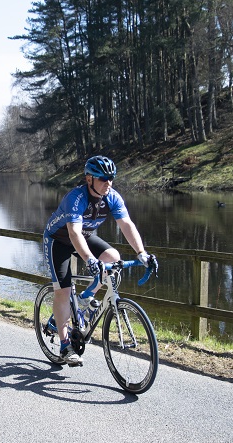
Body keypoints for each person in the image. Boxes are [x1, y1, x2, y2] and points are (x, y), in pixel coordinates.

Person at [42, 155, 154, 367]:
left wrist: (141, 253)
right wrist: (89, 260)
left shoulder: (112, 197)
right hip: (59, 240)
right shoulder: (76, 198)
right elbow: (74, 233)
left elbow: (126, 224)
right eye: (103, 179)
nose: (108, 183)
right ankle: (65, 346)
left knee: (113, 258)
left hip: (85, 237)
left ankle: (86, 297)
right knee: (63, 291)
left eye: (111, 178)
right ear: (89, 179)